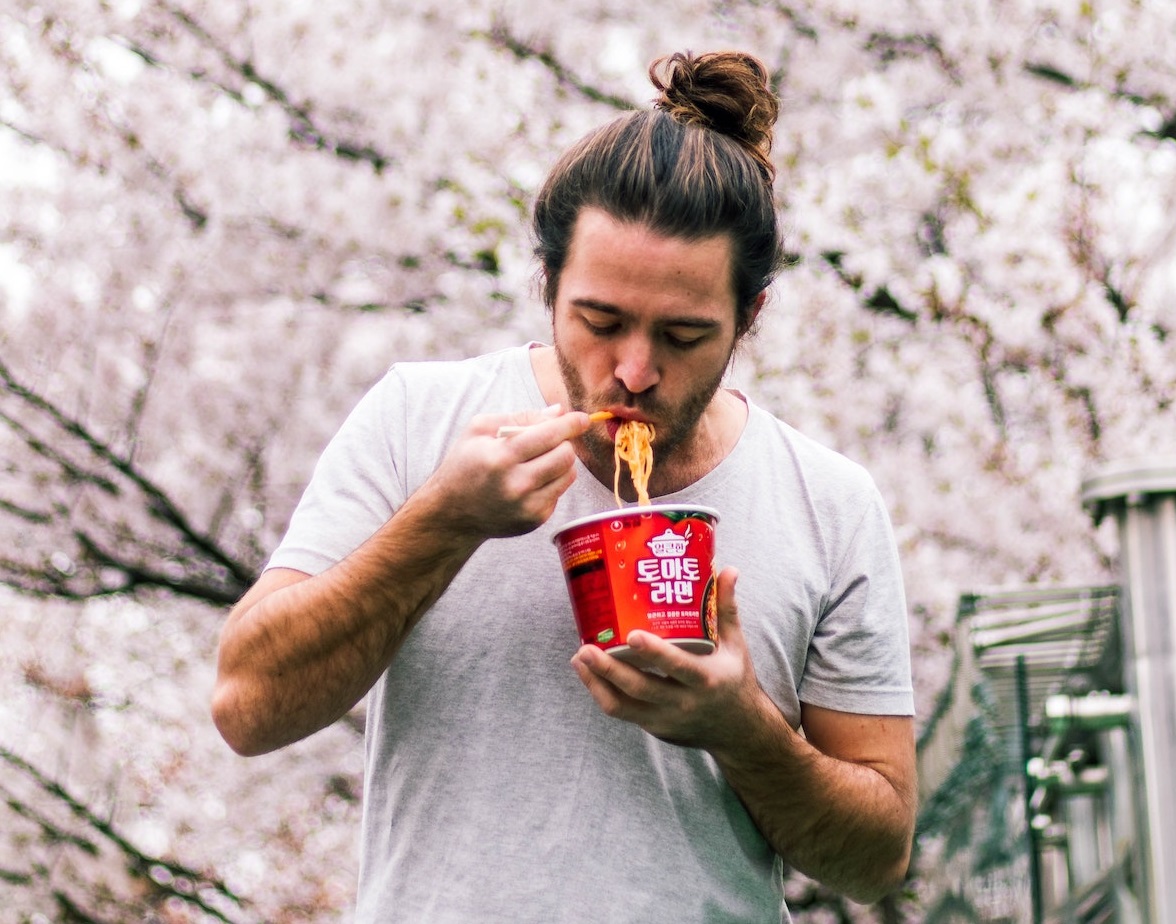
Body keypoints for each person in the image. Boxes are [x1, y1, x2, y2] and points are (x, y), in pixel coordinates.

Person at [212, 50, 916, 923]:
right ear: (548, 286)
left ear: (750, 316)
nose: (634, 370)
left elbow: (878, 855)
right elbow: (247, 705)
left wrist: (741, 728)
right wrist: (442, 522)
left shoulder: (828, 503)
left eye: (684, 335)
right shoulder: (417, 419)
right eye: (600, 321)